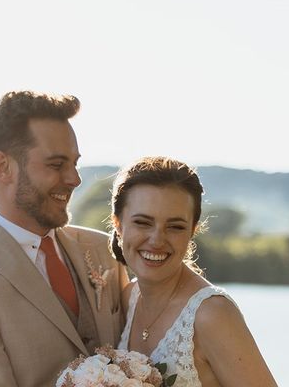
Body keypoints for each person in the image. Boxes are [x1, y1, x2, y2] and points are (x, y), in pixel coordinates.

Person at [0, 91, 128, 387]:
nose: (74, 178)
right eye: (56, 164)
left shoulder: (103, 250)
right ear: (2, 167)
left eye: (74, 163)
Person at [112, 157, 277, 387]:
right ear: (118, 224)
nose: (157, 240)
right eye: (143, 222)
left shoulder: (212, 314)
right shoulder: (128, 297)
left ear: (192, 231)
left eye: (175, 227)